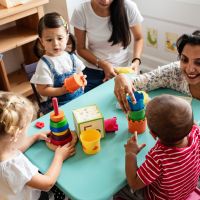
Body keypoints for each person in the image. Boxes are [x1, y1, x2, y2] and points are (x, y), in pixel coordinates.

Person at [115, 94, 200, 200]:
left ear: (153, 134)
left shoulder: (158, 157)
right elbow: (192, 123)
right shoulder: (196, 133)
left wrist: (130, 154)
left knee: (119, 188)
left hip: (159, 197)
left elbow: (134, 183)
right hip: (185, 193)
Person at [0, 92, 76, 200]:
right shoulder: (14, 167)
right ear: (16, 135)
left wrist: (35, 137)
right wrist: (59, 157)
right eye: (26, 128)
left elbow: (14, 149)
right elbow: (48, 183)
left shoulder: (4, 150)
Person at [114, 30, 200, 112]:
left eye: (198, 62)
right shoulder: (175, 73)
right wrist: (121, 78)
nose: (190, 69)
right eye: (184, 59)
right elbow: (137, 83)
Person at [71, 0, 144, 92]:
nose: (105, 1)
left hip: (122, 69)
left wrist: (136, 61)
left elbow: (139, 38)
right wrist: (103, 64)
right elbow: (80, 48)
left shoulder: (129, 7)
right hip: (93, 69)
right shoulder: (81, 11)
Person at [31, 12, 87, 111]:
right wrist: (61, 91)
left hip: (79, 99)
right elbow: (42, 90)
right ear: (41, 41)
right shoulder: (44, 64)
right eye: (49, 40)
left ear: (67, 37)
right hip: (59, 105)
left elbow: (79, 73)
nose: (55, 44)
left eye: (60, 38)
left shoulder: (71, 57)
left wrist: (82, 80)